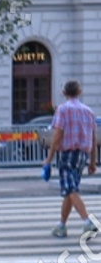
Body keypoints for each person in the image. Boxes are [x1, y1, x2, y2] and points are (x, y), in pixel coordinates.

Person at [46, 79, 99, 238]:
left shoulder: (63, 109)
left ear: (64, 93)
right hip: (82, 155)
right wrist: (92, 161)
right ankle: (61, 225)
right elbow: (93, 138)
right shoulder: (88, 111)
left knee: (70, 189)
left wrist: (49, 158)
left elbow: (58, 135)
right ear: (80, 92)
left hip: (68, 154)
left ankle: (87, 222)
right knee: (70, 190)